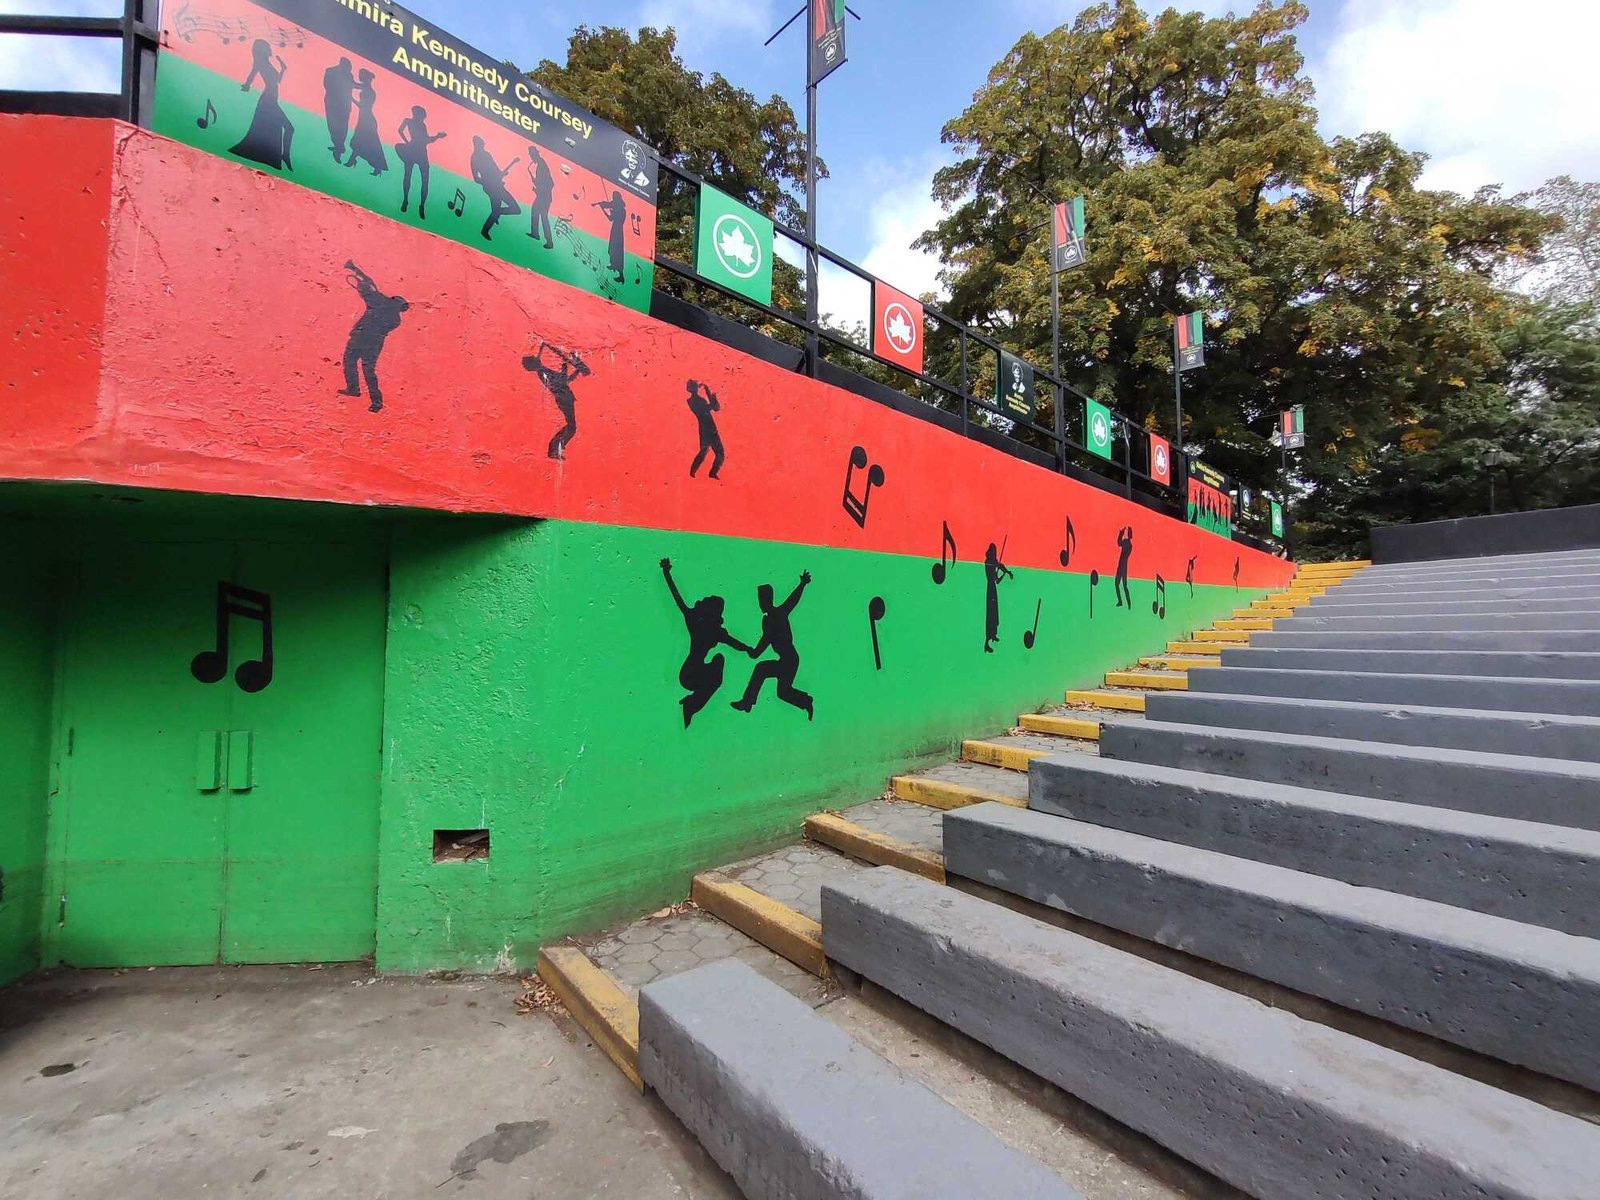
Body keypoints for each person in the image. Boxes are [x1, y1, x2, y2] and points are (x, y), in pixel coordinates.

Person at [661, 559, 754, 728]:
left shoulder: (701, 625)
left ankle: (691, 703)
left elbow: (734, 643)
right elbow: (677, 598)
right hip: (691, 674)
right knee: (718, 662)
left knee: (717, 662)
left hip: (688, 673)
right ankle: (691, 705)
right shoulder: (709, 629)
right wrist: (666, 573)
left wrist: (666, 573)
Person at [732, 573, 813, 720]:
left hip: (789, 659)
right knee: (782, 692)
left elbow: (792, 600)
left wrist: (802, 584)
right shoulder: (769, 619)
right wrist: (754, 651)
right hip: (786, 660)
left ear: (768, 599)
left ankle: (747, 702)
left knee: (762, 670)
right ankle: (805, 700)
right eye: (759, 600)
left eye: (761, 599)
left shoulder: (777, 615)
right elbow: (765, 641)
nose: (760, 603)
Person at [339, 261, 408, 414]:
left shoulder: (379, 302)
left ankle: (353, 388)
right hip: (375, 343)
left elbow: (368, 285)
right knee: (368, 371)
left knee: (349, 362)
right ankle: (376, 402)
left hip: (360, 338)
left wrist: (355, 270)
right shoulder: (396, 320)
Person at [231, 39, 294, 170]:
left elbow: (277, 81)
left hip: (271, 100)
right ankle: (285, 156)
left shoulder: (268, 63)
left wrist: (283, 68)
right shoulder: (260, 62)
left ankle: (284, 155)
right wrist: (247, 85)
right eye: (268, 47)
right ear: (263, 50)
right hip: (268, 100)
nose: (271, 50)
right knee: (289, 127)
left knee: (285, 127)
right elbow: (252, 74)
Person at [522, 342, 589, 459]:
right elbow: (562, 381)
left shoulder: (544, 371)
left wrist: (571, 367)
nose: (536, 358)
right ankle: (554, 449)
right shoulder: (543, 373)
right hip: (564, 399)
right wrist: (567, 365)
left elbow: (565, 380)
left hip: (565, 397)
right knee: (571, 427)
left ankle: (556, 447)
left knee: (571, 426)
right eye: (533, 359)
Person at [396, 106, 445, 218]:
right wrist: (437, 136)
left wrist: (437, 136)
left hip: (418, 151)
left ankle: (419, 205)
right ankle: (407, 201)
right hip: (416, 151)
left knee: (421, 179)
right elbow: (425, 140)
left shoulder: (420, 125)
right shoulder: (410, 121)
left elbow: (425, 140)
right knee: (412, 177)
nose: (422, 118)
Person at [471, 136, 521, 241]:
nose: (483, 146)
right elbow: (476, 178)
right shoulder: (474, 159)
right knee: (515, 209)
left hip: (497, 185)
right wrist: (488, 182)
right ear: (477, 145)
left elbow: (495, 169)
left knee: (511, 209)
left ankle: (492, 219)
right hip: (492, 188)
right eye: (482, 144)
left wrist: (501, 173)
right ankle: (486, 228)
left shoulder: (487, 155)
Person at [344, 68, 386, 176]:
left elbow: (364, 106)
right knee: (361, 142)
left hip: (367, 120)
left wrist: (351, 98)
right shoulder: (366, 88)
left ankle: (355, 161)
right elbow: (354, 85)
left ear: (366, 78)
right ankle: (354, 160)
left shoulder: (368, 90)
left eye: (361, 75)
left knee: (365, 143)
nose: (360, 77)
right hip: (364, 118)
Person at [686, 380, 724, 479]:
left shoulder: (691, 401)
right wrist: (708, 391)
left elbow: (713, 407)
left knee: (703, 452)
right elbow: (714, 407)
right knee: (720, 454)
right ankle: (712, 473)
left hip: (703, 430)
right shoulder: (698, 401)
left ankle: (693, 472)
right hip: (710, 430)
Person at [322, 57, 355, 162]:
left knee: (343, 126)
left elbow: (352, 85)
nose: (348, 69)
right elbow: (327, 85)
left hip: (344, 106)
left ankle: (339, 146)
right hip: (332, 103)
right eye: (348, 67)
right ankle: (338, 145)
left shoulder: (349, 75)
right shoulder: (330, 71)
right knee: (332, 125)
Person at [983, 543, 1013, 652]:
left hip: (993, 588)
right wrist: (999, 575)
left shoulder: (992, 561)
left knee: (994, 613)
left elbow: (1000, 565)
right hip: (990, 588)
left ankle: (993, 634)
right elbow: (993, 576)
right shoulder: (988, 562)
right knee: (991, 614)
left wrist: (1007, 571)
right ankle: (987, 642)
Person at [593, 189, 627, 282]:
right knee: (612, 248)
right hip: (616, 230)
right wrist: (601, 204)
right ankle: (613, 265)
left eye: (614, 197)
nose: (612, 199)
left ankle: (621, 274)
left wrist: (603, 209)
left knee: (617, 250)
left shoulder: (620, 209)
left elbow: (610, 218)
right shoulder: (618, 207)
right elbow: (607, 204)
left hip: (617, 230)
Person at [526, 145, 554, 248]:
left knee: (543, 217)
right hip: (543, 196)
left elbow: (549, 183)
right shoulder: (541, 165)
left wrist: (537, 188)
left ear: (535, 155)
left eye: (531, 156)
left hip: (544, 197)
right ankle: (535, 233)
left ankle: (549, 241)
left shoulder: (541, 166)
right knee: (536, 212)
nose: (531, 158)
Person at [1114, 526, 1134, 609]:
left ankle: (1126, 602)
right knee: (1120, 584)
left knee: (1122, 585)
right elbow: (1119, 543)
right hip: (1123, 566)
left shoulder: (1127, 543)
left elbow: (1119, 543)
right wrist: (1121, 534)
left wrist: (1120, 534)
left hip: (1122, 566)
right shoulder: (1128, 543)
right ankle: (1123, 602)